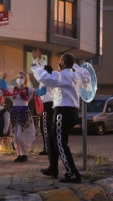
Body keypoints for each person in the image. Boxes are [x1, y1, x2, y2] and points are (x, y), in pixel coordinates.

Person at [31, 52, 91, 183]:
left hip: (63, 112)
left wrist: (35, 65)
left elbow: (44, 77)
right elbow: (87, 74)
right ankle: (53, 168)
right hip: (72, 112)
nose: (58, 63)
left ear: (63, 63)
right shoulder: (77, 75)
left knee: (60, 143)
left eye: (60, 61)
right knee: (53, 139)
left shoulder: (63, 75)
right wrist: (76, 65)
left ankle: (73, 173)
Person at [0, 71, 46, 162]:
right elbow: (4, 88)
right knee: (15, 135)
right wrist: (2, 79)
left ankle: (24, 154)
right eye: (18, 77)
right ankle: (19, 154)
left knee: (21, 134)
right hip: (15, 113)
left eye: (21, 77)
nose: (19, 79)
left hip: (24, 113)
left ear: (25, 79)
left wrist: (45, 83)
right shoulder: (13, 89)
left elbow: (39, 92)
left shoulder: (29, 90)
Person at [34, 49, 55, 156]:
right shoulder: (49, 79)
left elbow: (39, 71)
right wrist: (39, 59)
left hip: (47, 105)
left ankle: (48, 149)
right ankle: (49, 148)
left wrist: (35, 60)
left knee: (45, 128)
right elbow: (44, 67)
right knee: (47, 127)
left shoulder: (45, 80)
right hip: (49, 105)